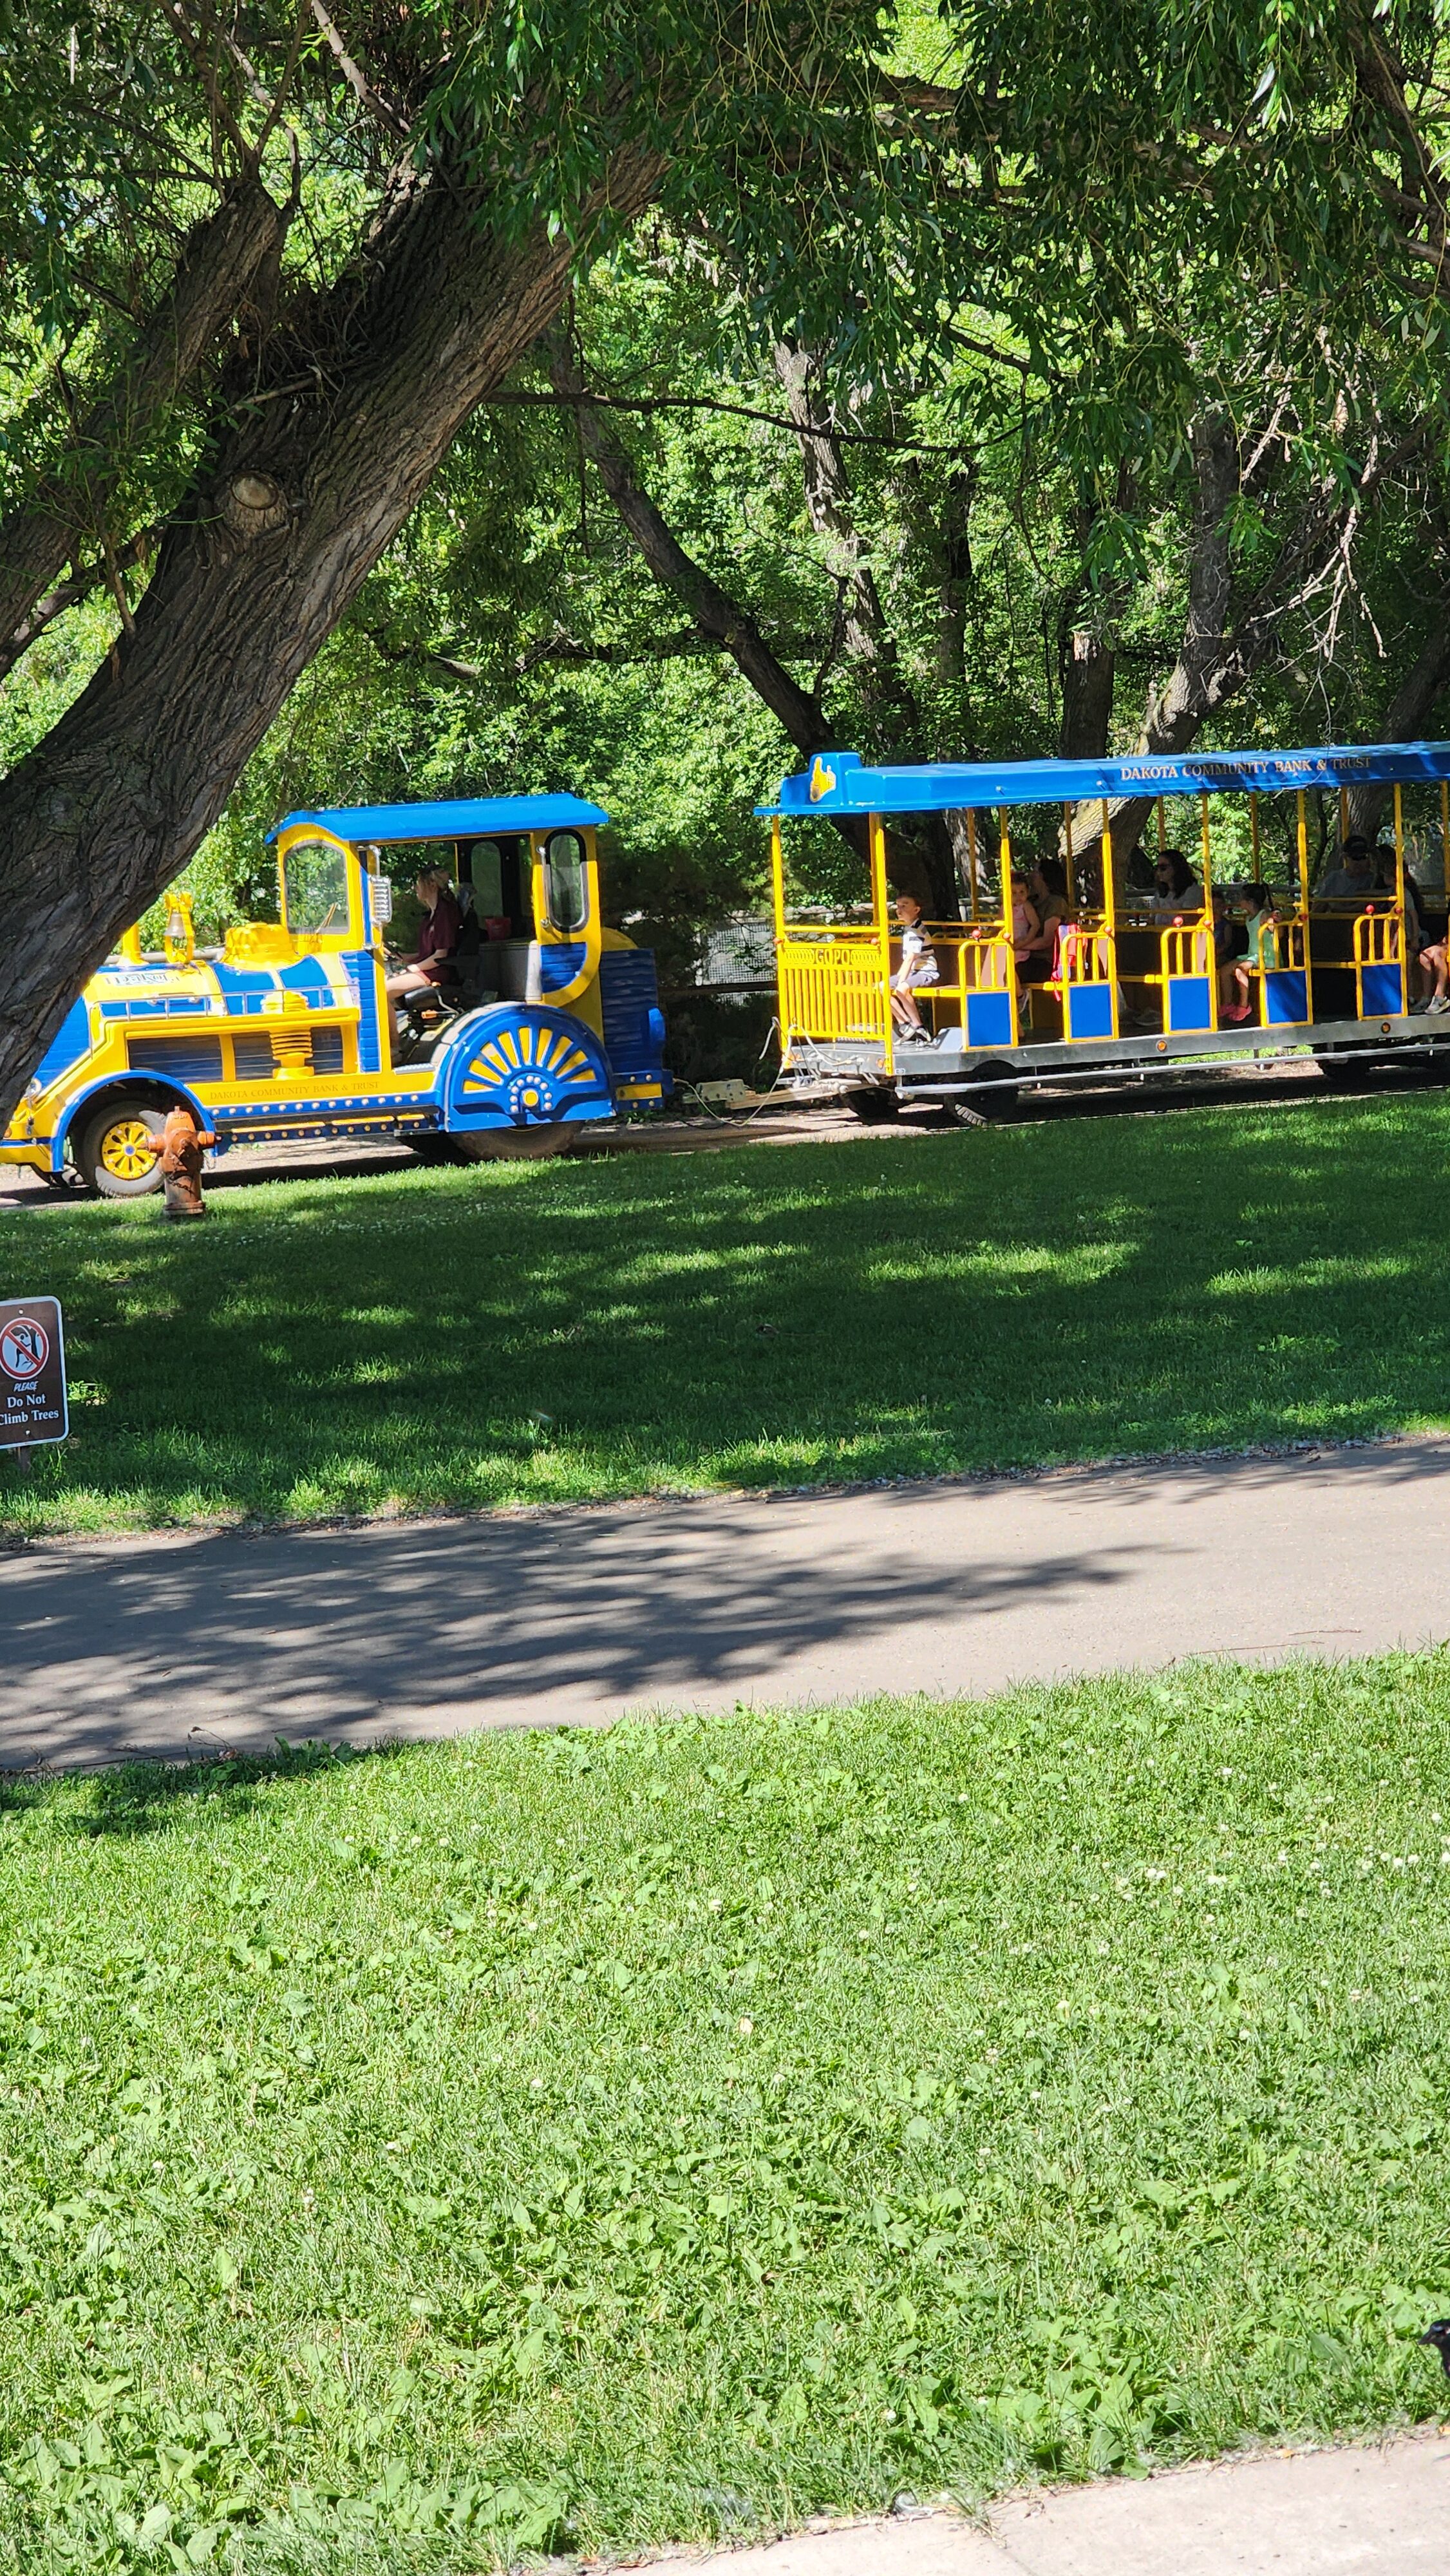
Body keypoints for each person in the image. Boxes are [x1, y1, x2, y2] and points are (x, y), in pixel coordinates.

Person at [385, 868, 463, 1045]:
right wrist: (403, 958)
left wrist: (414, 968)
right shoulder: (429, 917)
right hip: (427, 969)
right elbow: (426, 954)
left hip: (437, 972)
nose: (415, 888)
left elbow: (440, 955)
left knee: (382, 991)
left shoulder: (445, 914)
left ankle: (393, 1045)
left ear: (432, 885)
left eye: (419, 883)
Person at [889, 892, 939, 1041]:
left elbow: (911, 958)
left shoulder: (917, 931)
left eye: (905, 905)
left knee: (902, 989)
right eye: (898, 906)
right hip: (913, 972)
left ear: (916, 910)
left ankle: (918, 1025)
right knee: (882, 987)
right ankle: (904, 1023)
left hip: (926, 972)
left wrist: (900, 981)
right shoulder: (909, 929)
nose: (900, 909)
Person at [1022, 858, 1071, 981]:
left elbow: (1047, 940)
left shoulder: (1056, 903)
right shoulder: (1030, 901)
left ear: (1043, 876)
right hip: (1027, 955)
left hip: (1044, 959)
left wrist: (1018, 947)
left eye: (1035, 871)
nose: (1031, 875)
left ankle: (1021, 997)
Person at [1212, 885, 1252, 1020]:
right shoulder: (1206, 924)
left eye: (1218, 906)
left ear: (1223, 907)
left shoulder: (1225, 925)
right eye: (1212, 906)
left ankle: (1228, 1003)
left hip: (1223, 955)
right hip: (1210, 956)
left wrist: (1216, 952)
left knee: (1215, 967)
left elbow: (1228, 943)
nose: (1215, 909)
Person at [1146, 848, 1203, 916]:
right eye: (1157, 868)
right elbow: (1152, 918)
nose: (1159, 872)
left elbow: (1188, 919)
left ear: (1176, 867)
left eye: (1163, 868)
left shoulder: (1192, 891)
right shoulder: (1160, 893)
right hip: (1159, 927)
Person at [1317, 836, 1377, 900]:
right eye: (1355, 858)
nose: (1359, 862)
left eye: (1363, 857)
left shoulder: (1374, 880)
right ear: (1345, 857)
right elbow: (1318, 906)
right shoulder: (1333, 879)